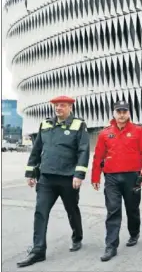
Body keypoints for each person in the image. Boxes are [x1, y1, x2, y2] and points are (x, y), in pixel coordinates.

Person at [18, 95, 90, 268]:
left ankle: (77, 236)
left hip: (68, 179)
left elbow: (83, 151)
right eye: (57, 105)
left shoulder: (78, 125)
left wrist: (79, 175)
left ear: (70, 107)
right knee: (40, 212)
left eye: (62, 105)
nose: (59, 108)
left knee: (72, 210)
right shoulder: (45, 124)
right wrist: (30, 172)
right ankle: (38, 250)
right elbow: (37, 150)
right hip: (47, 178)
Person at [90, 101, 142, 261]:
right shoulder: (105, 133)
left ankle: (134, 233)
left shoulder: (139, 131)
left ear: (129, 113)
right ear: (114, 113)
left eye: (125, 111)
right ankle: (111, 246)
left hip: (132, 177)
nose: (122, 114)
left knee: (132, 209)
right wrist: (95, 176)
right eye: (119, 111)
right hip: (111, 177)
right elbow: (98, 156)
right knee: (113, 210)